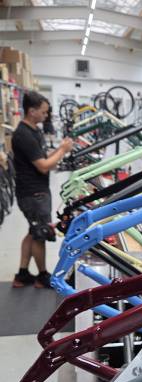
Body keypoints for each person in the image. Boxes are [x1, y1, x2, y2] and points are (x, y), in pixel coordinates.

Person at [12, 91, 73, 289]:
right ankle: (42, 275)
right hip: (33, 193)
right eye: (43, 112)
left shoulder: (34, 131)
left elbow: (43, 157)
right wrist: (62, 150)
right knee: (41, 233)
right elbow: (43, 166)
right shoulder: (23, 135)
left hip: (36, 190)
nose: (46, 116)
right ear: (32, 111)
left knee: (33, 231)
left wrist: (59, 151)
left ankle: (22, 274)